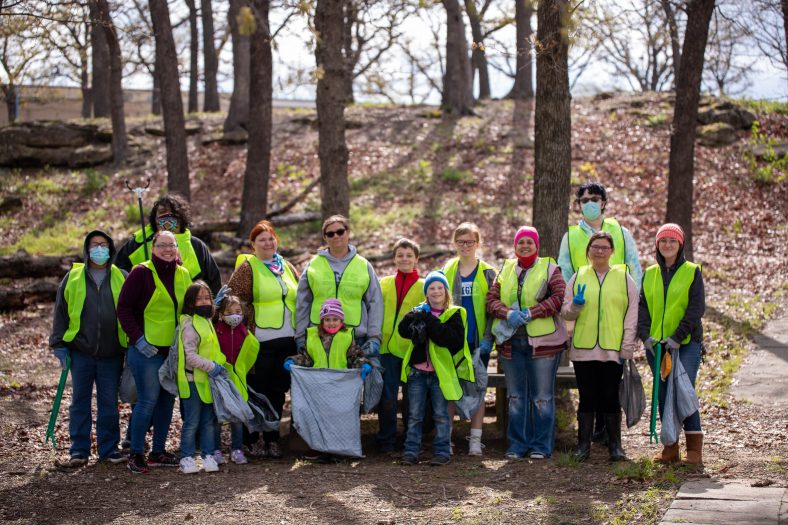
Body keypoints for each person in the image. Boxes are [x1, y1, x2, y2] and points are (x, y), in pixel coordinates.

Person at [557, 182, 643, 443]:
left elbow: (634, 269)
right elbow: (565, 273)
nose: (589, 203)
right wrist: (572, 310)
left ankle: (609, 433)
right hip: (584, 317)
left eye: (594, 198)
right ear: (579, 205)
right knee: (589, 385)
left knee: (611, 384)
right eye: (584, 200)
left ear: (604, 202)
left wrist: (631, 306)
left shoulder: (621, 231)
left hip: (615, 316)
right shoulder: (570, 237)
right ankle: (592, 433)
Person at [485, 227, 568, 460]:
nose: (524, 246)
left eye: (529, 242)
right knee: (516, 397)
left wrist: (533, 312)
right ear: (515, 246)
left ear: (537, 245)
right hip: (511, 343)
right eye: (520, 242)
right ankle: (517, 445)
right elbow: (491, 300)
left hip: (544, 344)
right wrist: (507, 312)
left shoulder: (550, 267)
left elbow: (559, 297)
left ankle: (541, 446)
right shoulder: (506, 269)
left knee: (542, 397)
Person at [49, 230, 128, 466]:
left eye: (104, 245)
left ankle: (109, 449)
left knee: (108, 404)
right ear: (86, 249)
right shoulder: (72, 277)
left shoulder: (122, 276)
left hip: (112, 353)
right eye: (94, 245)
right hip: (80, 352)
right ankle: (79, 450)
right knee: (80, 403)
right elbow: (60, 312)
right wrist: (58, 344)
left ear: (111, 249)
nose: (99, 249)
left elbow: (132, 311)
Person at [117, 230, 192, 474]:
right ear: (153, 248)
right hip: (146, 349)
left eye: (172, 245)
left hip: (171, 350)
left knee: (166, 400)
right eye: (162, 245)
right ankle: (136, 453)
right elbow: (124, 309)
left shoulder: (184, 274)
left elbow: (190, 309)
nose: (168, 249)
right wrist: (137, 339)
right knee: (147, 400)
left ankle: (158, 451)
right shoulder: (141, 272)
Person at [561, 231, 638, 462]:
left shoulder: (624, 279)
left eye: (604, 247)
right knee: (587, 397)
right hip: (584, 349)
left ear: (612, 251)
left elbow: (631, 314)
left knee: (610, 396)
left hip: (612, 348)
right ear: (589, 250)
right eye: (595, 247)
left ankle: (615, 446)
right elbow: (565, 312)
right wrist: (575, 305)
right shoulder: (578, 276)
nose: (599, 251)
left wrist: (627, 346)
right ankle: (583, 446)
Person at [227, 220, 298, 459]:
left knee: (278, 392)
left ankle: (272, 439)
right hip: (260, 341)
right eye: (262, 240)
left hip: (288, 339)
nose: (268, 243)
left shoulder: (286, 266)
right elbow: (232, 299)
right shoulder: (248, 267)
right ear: (253, 245)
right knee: (258, 390)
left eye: (271, 238)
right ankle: (250, 439)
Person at [638, 223, 705, 465]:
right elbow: (642, 308)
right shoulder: (649, 273)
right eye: (663, 240)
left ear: (680, 244)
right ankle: (670, 447)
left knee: (684, 392)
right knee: (664, 394)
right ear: (657, 244)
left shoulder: (692, 271)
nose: (667, 244)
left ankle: (694, 450)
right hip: (657, 345)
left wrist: (677, 337)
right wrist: (645, 336)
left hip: (685, 343)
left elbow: (696, 309)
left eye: (672, 241)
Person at [398, 271, 474, 467]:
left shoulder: (455, 313)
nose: (436, 291)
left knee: (441, 414)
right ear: (426, 293)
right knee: (414, 414)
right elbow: (402, 331)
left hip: (441, 374)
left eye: (440, 287)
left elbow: (449, 339)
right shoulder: (420, 311)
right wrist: (412, 315)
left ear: (446, 291)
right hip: (417, 372)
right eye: (431, 288)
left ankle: (441, 451)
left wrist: (429, 319)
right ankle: (411, 451)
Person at [442, 222, 496, 455]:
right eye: (461, 241)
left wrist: (488, 339)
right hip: (453, 342)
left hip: (477, 343)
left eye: (470, 242)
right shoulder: (448, 269)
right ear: (455, 243)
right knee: (450, 390)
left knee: (478, 390)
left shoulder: (488, 272)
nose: (465, 246)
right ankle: (447, 439)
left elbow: (494, 308)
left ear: (478, 243)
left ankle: (475, 439)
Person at [295, 215, 383, 356]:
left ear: (348, 233)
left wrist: (374, 338)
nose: (336, 236)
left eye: (340, 231)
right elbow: (302, 303)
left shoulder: (364, 265)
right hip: (318, 338)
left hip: (356, 339)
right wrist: (300, 336)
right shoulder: (313, 265)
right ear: (325, 237)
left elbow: (375, 303)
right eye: (330, 233)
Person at [176, 281, 239, 474]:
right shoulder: (189, 324)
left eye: (207, 298)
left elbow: (213, 349)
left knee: (209, 421)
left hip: (208, 382)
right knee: (192, 421)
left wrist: (219, 364)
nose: (204, 302)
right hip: (192, 381)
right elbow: (190, 356)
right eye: (199, 299)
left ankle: (208, 455)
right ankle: (186, 458)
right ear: (190, 302)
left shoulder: (206, 322)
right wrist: (212, 366)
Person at [114, 193, 221, 294]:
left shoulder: (196, 246)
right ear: (155, 218)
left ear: (181, 218)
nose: (167, 217)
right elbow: (119, 271)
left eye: (173, 213)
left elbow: (213, 280)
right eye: (162, 212)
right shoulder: (139, 242)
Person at [376, 238, 424, 453]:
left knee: (412, 398)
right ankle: (386, 440)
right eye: (400, 255)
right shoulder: (384, 283)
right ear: (394, 258)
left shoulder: (424, 285)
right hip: (386, 349)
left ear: (416, 259)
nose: (404, 259)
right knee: (387, 398)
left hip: (411, 351)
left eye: (409, 255)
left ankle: (410, 440)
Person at [213, 293, 260, 465]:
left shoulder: (245, 332)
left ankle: (237, 449)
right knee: (217, 417)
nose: (235, 315)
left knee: (238, 418)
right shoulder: (215, 329)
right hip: (220, 379)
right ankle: (215, 450)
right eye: (229, 311)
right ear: (221, 313)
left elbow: (250, 354)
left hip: (238, 380)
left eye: (238, 311)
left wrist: (240, 370)